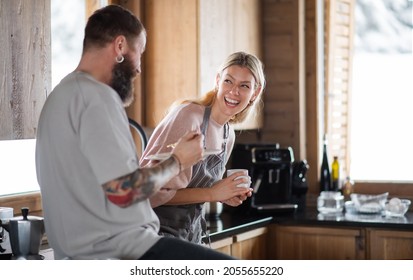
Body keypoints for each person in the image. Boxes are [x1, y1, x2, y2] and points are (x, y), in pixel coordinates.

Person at [35, 4, 233, 260]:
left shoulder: (59, 98)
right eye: (139, 52)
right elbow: (124, 192)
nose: (139, 68)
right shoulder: (97, 97)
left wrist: (163, 173)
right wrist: (178, 161)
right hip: (126, 252)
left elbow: (103, 189)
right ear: (120, 46)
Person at [140, 51, 266, 244]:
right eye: (228, 81)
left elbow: (200, 192)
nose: (234, 92)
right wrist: (212, 194)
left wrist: (225, 195)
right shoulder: (188, 117)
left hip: (192, 233)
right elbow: (149, 193)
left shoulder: (227, 135)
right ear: (217, 81)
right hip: (154, 232)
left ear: (254, 93)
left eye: (244, 86)